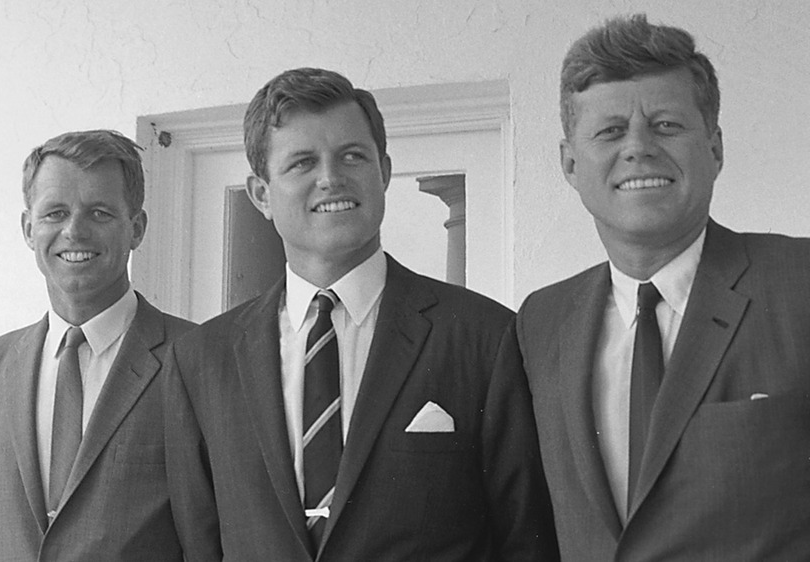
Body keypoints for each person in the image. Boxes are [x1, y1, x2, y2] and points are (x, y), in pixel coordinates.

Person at [163, 67, 558, 561]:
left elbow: (527, 540)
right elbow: (199, 547)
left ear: (384, 171)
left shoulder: (484, 337)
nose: (330, 178)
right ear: (261, 194)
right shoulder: (203, 359)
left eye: (352, 155)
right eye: (302, 162)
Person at [515, 13, 810, 561]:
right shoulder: (541, 321)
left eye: (667, 125)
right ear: (570, 163)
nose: (638, 148)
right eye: (609, 131)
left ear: (716, 148)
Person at [0, 130, 196, 561]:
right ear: (28, 229)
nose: (75, 230)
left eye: (100, 212)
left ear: (137, 228)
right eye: (55, 212)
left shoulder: (196, 358)